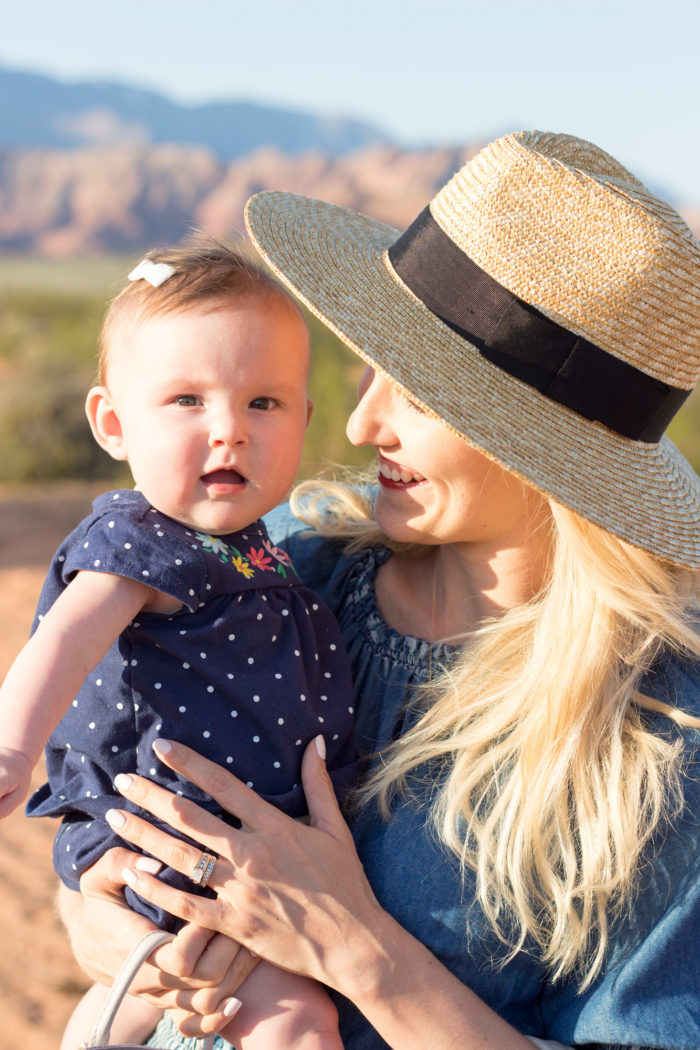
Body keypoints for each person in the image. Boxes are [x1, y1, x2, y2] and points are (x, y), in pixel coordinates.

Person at [58, 130, 700, 1050]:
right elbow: (105, 782)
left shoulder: (662, 733)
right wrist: (103, 915)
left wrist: (356, 950)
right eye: (371, 366)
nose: (362, 422)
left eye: (425, 397)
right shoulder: (281, 565)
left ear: (554, 450)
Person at [0, 243, 359, 1050]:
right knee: (298, 1023)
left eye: (263, 402)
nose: (229, 430)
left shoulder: (259, 544)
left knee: (131, 1004)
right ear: (114, 425)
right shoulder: (138, 542)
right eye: (188, 400)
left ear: (305, 419)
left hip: (239, 844)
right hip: (180, 842)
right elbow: (65, 635)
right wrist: (11, 747)